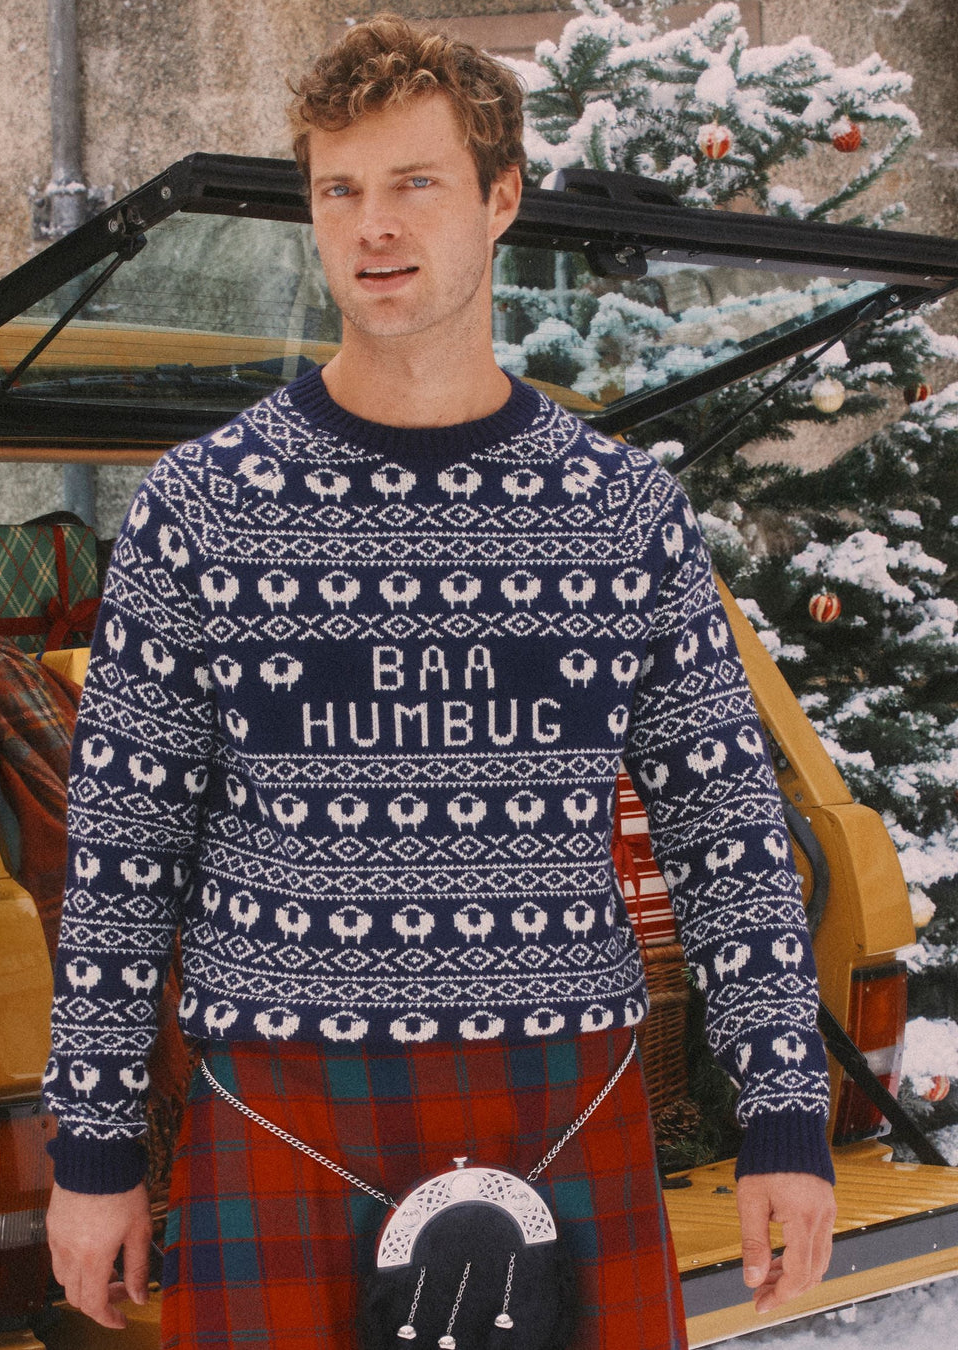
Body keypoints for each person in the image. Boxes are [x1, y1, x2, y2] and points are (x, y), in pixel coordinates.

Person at [45, 13, 837, 1348]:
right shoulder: (203, 506)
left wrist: (784, 1118)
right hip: (283, 1100)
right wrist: (94, 1148)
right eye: (338, 190)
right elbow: (123, 854)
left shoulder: (621, 509)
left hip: (563, 1094)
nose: (374, 229)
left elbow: (727, 830)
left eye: (415, 182)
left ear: (500, 197)